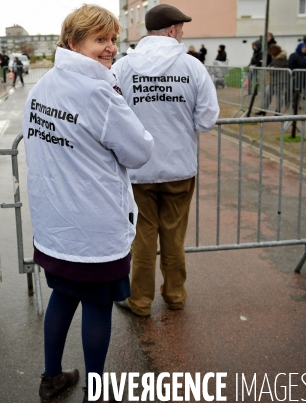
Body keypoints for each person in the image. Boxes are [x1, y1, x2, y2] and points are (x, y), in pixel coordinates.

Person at [22, 5, 154, 402]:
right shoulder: (98, 92)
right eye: (100, 39)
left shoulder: (43, 86)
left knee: (62, 295)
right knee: (98, 304)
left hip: (55, 226)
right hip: (94, 227)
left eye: (113, 39)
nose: (111, 48)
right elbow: (139, 150)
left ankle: (51, 377)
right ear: (72, 42)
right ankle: (96, 392)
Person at [111, 4, 219, 317]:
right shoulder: (192, 67)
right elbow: (207, 118)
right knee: (174, 235)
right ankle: (174, 295)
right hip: (179, 167)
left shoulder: (123, 67)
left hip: (137, 169)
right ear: (172, 30)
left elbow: (111, 114)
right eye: (181, 28)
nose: (183, 33)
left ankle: (140, 301)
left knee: (142, 238)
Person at [262, 44, 288, 115]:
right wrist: (271, 68)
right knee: (268, 94)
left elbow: (274, 69)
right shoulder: (275, 58)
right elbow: (271, 66)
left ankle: (278, 111)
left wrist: (272, 69)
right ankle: (263, 109)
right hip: (273, 80)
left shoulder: (282, 58)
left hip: (280, 80)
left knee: (279, 96)